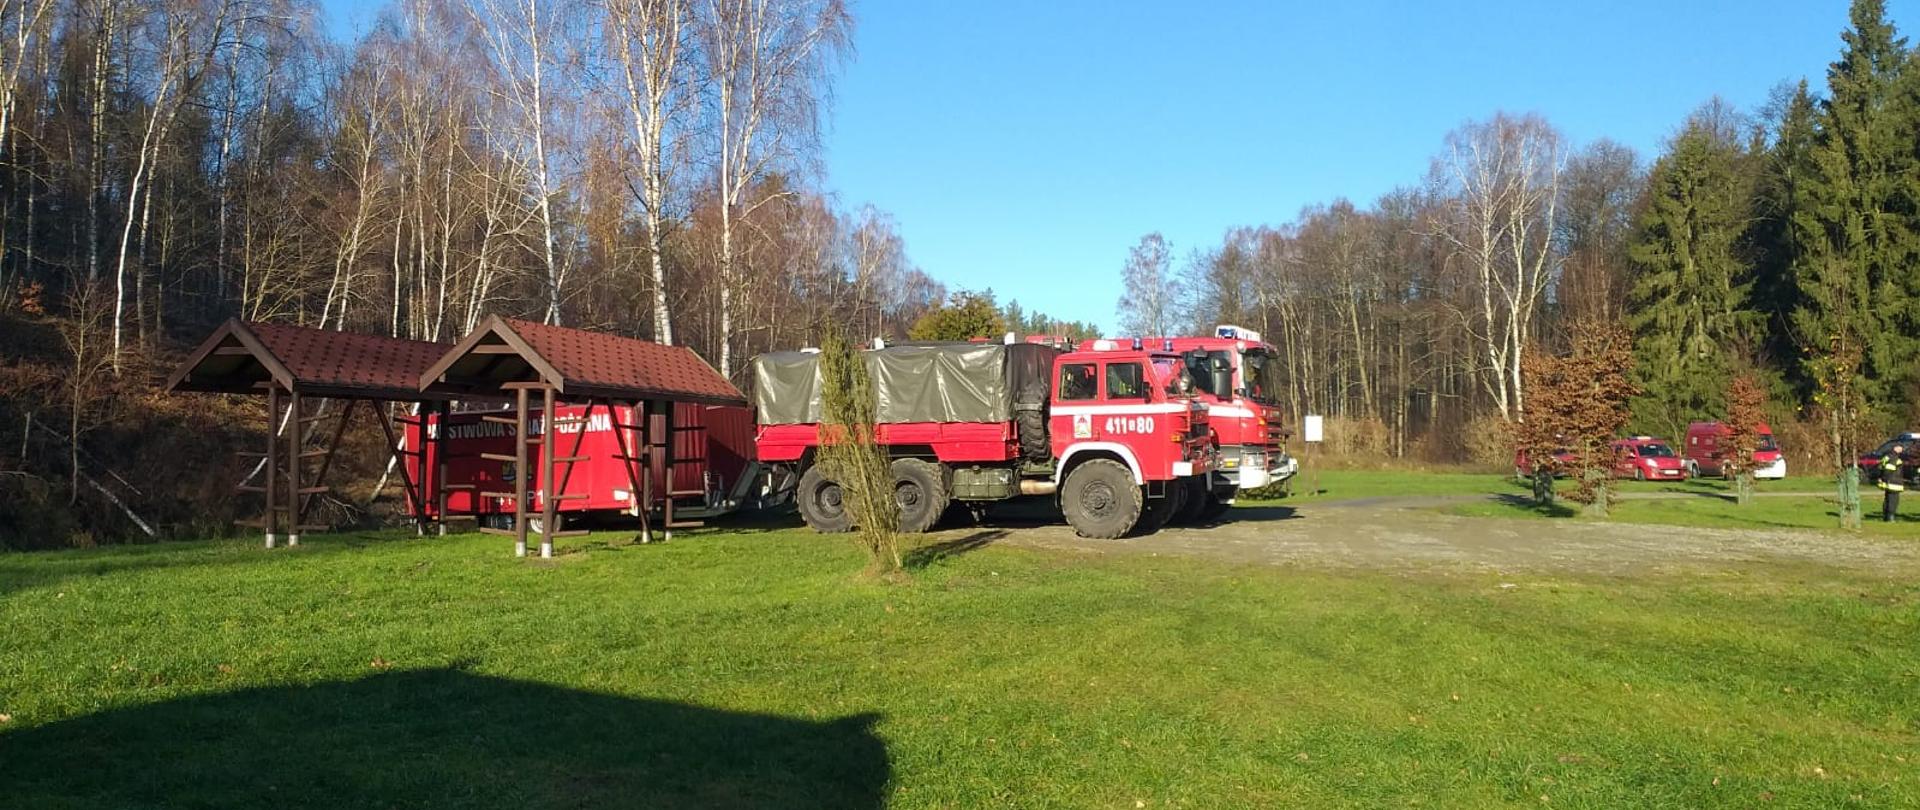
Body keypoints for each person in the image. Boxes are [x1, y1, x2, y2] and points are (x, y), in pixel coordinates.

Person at [1879, 444, 1907, 522]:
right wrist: (1886, 479)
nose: (1902, 449)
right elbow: (1888, 470)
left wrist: (1882, 478)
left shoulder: (1887, 456)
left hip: (1889, 482)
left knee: (1887, 499)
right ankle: (1890, 517)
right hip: (1893, 482)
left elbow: (1882, 468)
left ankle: (1886, 516)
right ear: (1895, 448)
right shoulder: (1893, 457)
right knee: (1893, 500)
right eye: (1900, 448)